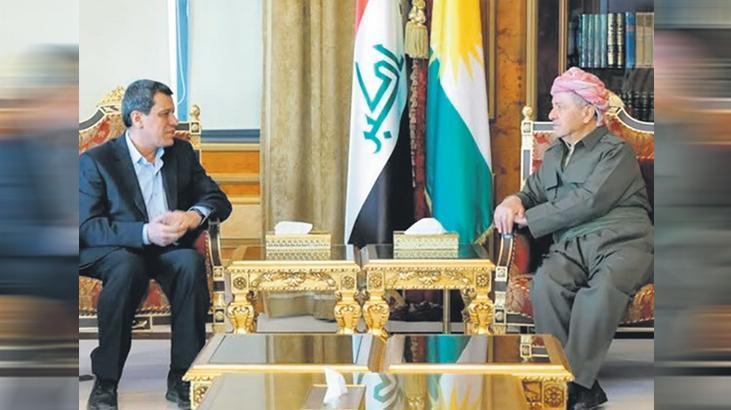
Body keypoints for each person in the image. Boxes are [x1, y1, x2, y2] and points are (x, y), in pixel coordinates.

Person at [493, 67, 653, 409]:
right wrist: (513, 201)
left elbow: (590, 200)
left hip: (622, 242)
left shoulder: (616, 152)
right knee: (547, 284)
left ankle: (574, 385)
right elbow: (531, 193)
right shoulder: (554, 154)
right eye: (552, 106)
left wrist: (532, 218)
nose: (551, 114)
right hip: (572, 244)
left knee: (602, 290)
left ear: (587, 112)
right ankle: (573, 382)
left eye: (559, 106)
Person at [79, 79, 232, 410]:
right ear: (138, 119)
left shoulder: (180, 153)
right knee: (127, 267)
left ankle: (183, 378)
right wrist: (145, 233)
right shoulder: (97, 161)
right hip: (117, 250)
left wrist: (193, 216)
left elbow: (218, 200)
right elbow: (87, 228)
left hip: (167, 250)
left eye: (173, 113)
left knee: (190, 264)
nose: (174, 121)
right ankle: (106, 382)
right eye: (165, 114)